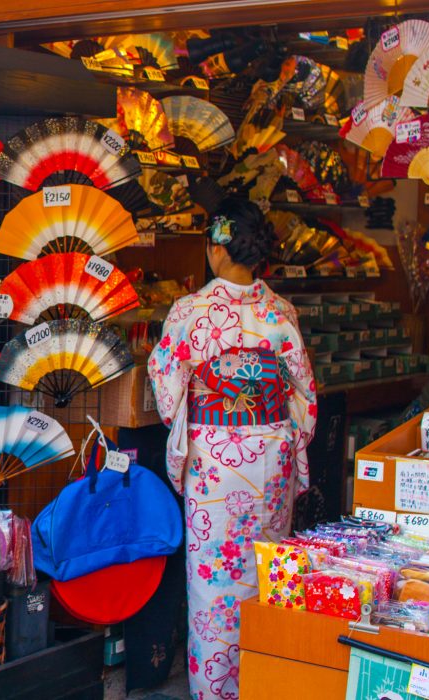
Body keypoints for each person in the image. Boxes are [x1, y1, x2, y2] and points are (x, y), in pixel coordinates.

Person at [147, 198, 316, 699]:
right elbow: (303, 396)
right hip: (272, 456)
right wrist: (281, 437)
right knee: (266, 569)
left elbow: (167, 389)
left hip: (217, 459)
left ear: (217, 249)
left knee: (213, 585)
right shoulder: (281, 312)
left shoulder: (189, 312)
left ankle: (215, 691)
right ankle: (265, 683)